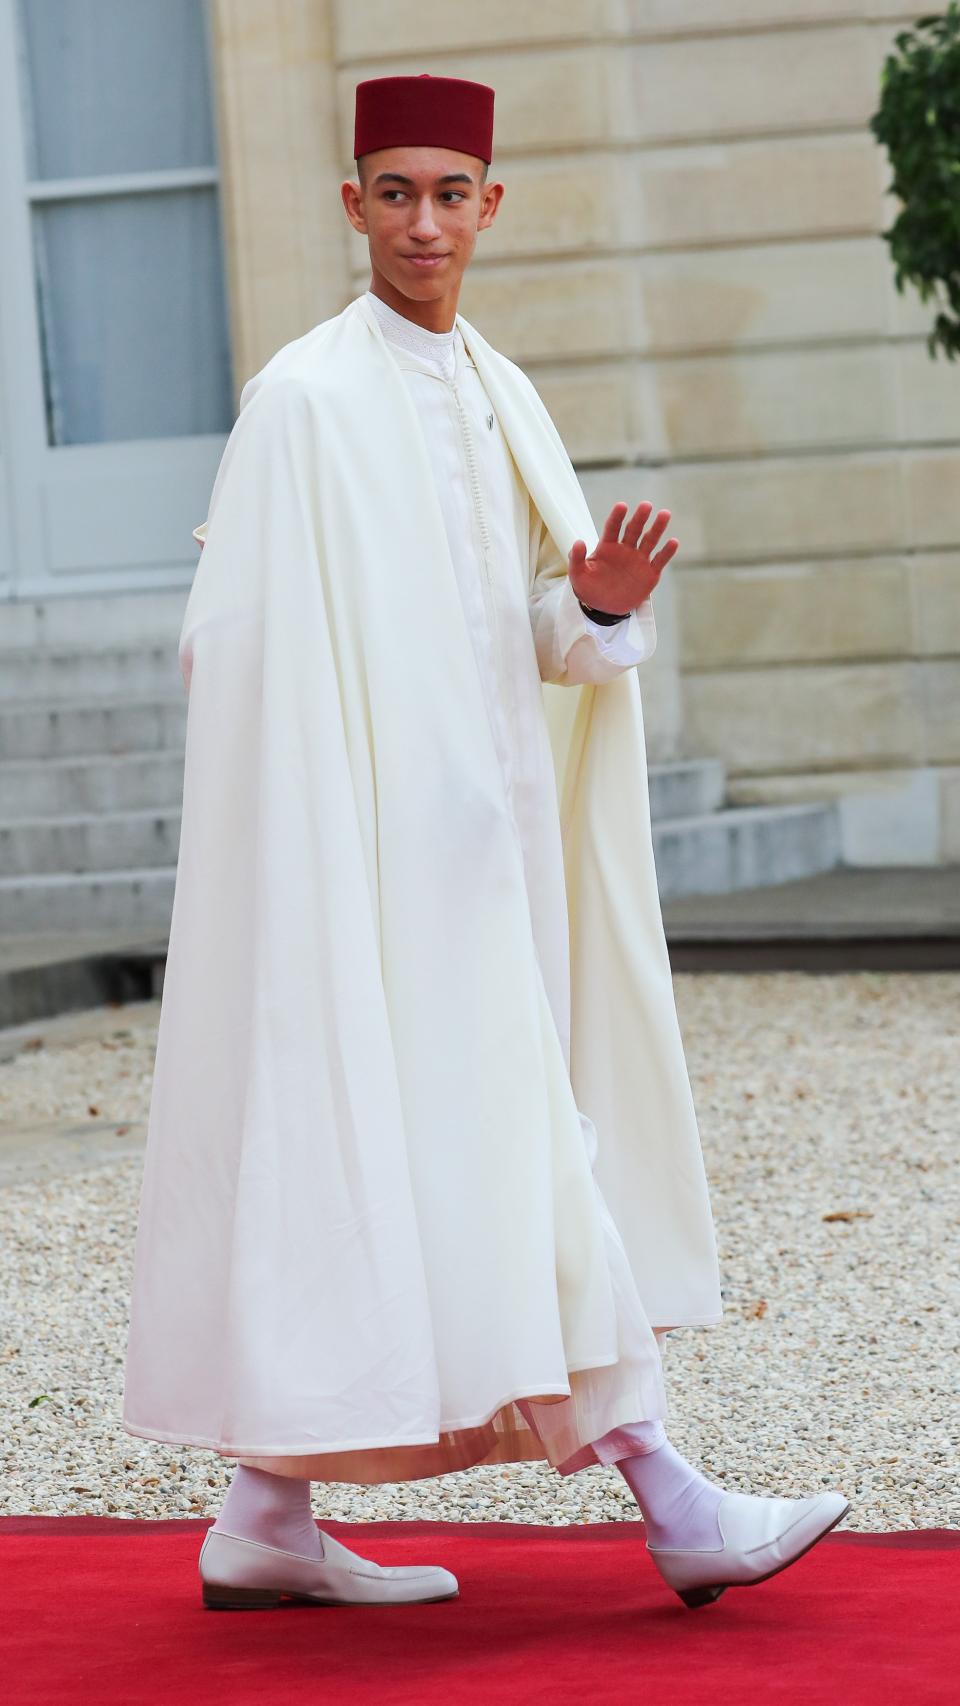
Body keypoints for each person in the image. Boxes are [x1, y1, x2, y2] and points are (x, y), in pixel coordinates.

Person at [122, 73, 848, 1613]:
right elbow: (227, 647)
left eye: (453, 193)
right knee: (484, 1155)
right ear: (352, 204)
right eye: (397, 191)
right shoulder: (304, 400)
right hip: (370, 871)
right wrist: (355, 783)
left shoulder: (502, 393)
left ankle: (265, 1512)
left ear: (491, 207)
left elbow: (531, 642)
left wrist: (588, 605)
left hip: (493, 864)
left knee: (449, 1168)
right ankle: (675, 1495)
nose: (426, 222)